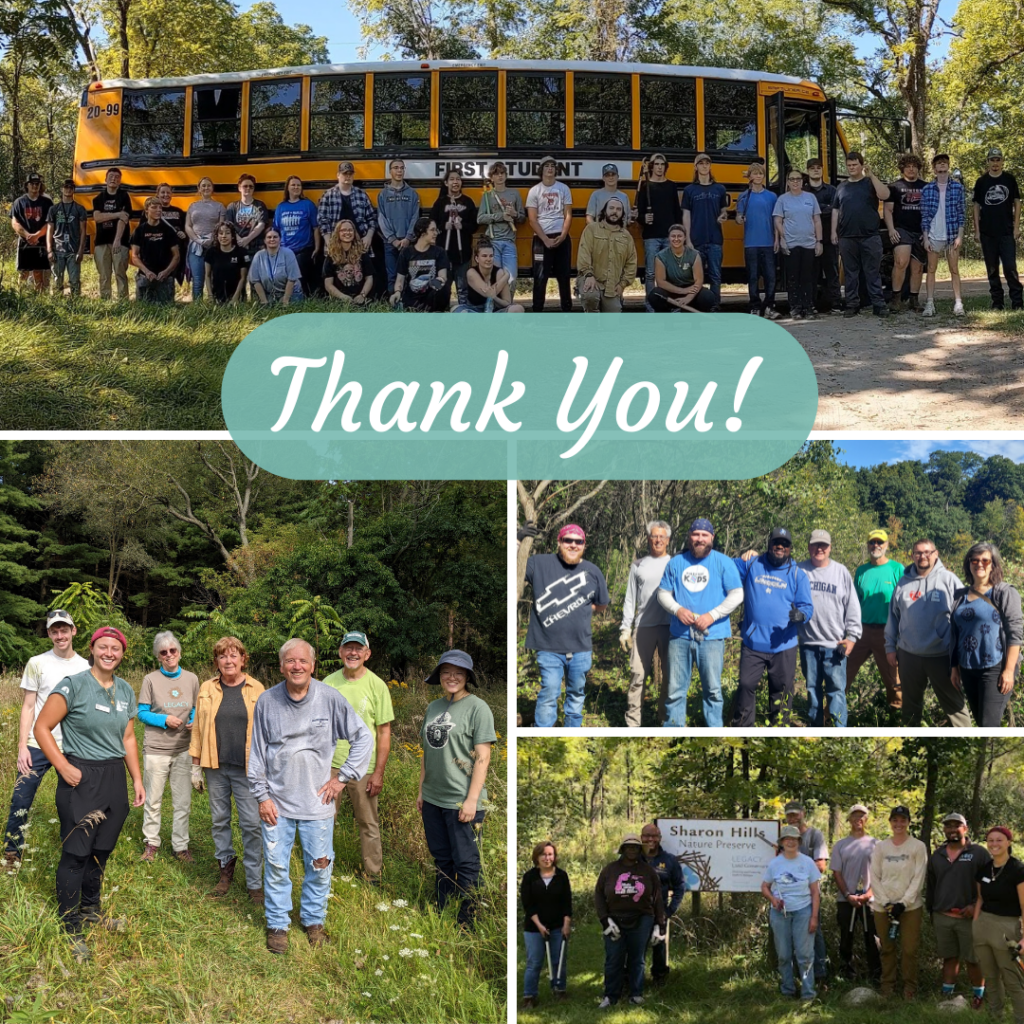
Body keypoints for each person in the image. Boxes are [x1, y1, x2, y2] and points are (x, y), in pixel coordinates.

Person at [250, 638, 372, 953]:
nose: (297, 666)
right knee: (276, 866)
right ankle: (277, 924)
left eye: (303, 661)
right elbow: (257, 755)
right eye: (290, 661)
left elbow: (363, 737)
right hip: (276, 804)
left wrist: (342, 778)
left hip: (318, 804)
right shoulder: (267, 701)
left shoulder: (330, 699)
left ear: (313, 665)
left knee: (320, 866)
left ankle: (313, 921)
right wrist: (262, 796)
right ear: (281, 666)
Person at [33, 626, 144, 963]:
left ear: (122, 653)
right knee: (77, 853)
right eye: (103, 647)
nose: (109, 652)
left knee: (101, 850)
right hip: (81, 776)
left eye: (116, 648)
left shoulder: (125, 689)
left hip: (113, 778)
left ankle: (91, 911)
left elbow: (127, 738)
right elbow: (41, 727)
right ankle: (69, 926)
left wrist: (136, 779)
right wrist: (63, 767)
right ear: (93, 649)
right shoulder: (74, 685)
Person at [3, 610, 89, 868]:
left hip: (71, 746)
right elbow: (29, 706)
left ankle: (74, 851)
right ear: (49, 633)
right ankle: (12, 853)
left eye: (64, 629)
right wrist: (21, 746)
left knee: (75, 802)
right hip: (36, 745)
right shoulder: (37, 663)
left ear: (73, 631)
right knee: (21, 798)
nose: (60, 635)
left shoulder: (85, 666)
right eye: (54, 631)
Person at [418, 650, 496, 928]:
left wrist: (471, 800)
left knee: (466, 862)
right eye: (446, 672)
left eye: (458, 673)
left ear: (467, 677)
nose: (452, 677)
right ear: (439, 675)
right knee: (442, 858)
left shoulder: (478, 708)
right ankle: (443, 908)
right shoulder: (434, 707)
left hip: (461, 800)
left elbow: (483, 758)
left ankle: (468, 919)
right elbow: (427, 754)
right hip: (432, 799)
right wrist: (421, 792)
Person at [189, 636, 265, 903]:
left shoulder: (257, 689)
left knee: (252, 825)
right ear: (217, 661)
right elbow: (198, 727)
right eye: (223, 656)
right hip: (215, 766)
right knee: (219, 820)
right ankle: (225, 869)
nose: (228, 661)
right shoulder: (207, 688)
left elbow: (266, 732)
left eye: (234, 656)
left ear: (243, 659)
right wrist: (195, 766)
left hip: (248, 769)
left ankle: (255, 881)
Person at [322, 631, 393, 883]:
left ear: (367, 654)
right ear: (341, 652)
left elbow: (384, 732)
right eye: (348, 648)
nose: (353, 653)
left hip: (365, 768)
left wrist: (378, 773)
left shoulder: (377, 686)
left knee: (368, 822)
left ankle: (372, 874)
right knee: (323, 820)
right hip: (330, 765)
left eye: (358, 648)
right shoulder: (327, 683)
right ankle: (321, 869)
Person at [657, 518, 743, 727]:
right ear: (690, 537)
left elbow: (737, 594)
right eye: (696, 534)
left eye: (704, 535)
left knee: (713, 690)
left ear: (712, 538)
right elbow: (662, 593)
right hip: (680, 636)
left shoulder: (723, 562)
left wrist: (712, 615)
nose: (700, 539)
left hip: (712, 637)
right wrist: (677, 610)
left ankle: (713, 736)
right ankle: (674, 736)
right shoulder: (676, 563)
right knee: (675, 690)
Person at [523, 525, 609, 728]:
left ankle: (573, 730)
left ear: (584, 545)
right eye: (568, 540)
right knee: (550, 691)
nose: (573, 545)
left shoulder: (593, 571)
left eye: (578, 541)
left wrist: (581, 610)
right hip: (548, 647)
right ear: (559, 542)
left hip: (581, 648)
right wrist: (518, 541)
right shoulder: (539, 563)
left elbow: (602, 604)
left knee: (577, 693)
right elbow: (513, 571)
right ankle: (543, 730)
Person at [729, 528, 814, 727]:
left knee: (782, 690)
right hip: (753, 643)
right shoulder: (752, 564)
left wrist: (800, 615)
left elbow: (807, 606)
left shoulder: (796, 575)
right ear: (769, 544)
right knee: (746, 685)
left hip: (783, 645)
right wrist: (742, 555)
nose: (780, 547)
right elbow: (724, 567)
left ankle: (778, 730)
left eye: (785, 544)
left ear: (790, 548)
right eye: (776, 542)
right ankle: (742, 728)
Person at [885, 538, 971, 727]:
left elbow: (966, 615)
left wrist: (960, 652)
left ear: (935, 554)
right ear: (912, 556)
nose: (922, 556)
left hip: (942, 655)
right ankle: (910, 747)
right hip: (909, 655)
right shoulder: (902, 584)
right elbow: (893, 617)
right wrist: (890, 646)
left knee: (955, 706)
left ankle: (967, 741)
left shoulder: (949, 580)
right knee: (910, 706)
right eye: (918, 553)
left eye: (927, 552)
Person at [950, 541, 1023, 726]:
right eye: (974, 560)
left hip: (996, 667)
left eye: (985, 560)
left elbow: (1016, 633)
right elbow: (955, 634)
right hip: (967, 668)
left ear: (993, 564)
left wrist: (1008, 670)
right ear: (968, 564)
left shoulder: (1004, 592)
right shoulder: (959, 596)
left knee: (988, 725)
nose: (979, 564)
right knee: (980, 723)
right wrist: (954, 668)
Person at [797, 530, 862, 727]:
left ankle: (839, 731)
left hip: (835, 644)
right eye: (815, 545)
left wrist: (852, 637)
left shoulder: (841, 572)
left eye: (824, 545)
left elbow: (852, 606)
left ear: (830, 548)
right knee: (812, 689)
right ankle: (815, 729)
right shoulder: (798, 571)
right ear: (809, 547)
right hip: (808, 643)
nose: (819, 549)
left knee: (836, 691)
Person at [595, 834, 665, 1009]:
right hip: (614, 920)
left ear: (639, 850)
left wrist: (659, 925)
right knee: (613, 958)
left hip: (642, 919)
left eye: (635, 847)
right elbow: (598, 895)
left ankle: (636, 993)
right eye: (628, 847)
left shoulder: (648, 871)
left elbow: (657, 899)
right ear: (623, 849)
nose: (632, 850)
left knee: (637, 958)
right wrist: (605, 920)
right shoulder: (609, 870)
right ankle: (610, 996)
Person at [927, 812, 990, 1004]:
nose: (952, 829)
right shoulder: (937, 855)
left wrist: (975, 906)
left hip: (970, 917)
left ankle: (978, 997)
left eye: (957, 825)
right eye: (948, 826)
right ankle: (947, 997)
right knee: (949, 958)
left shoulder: (979, 853)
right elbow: (931, 886)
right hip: (943, 916)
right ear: (944, 829)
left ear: (965, 828)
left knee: (973, 959)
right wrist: (932, 912)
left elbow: (989, 883)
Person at [870, 805, 927, 1001]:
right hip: (883, 907)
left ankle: (909, 988)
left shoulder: (918, 847)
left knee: (910, 949)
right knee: (887, 948)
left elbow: (919, 878)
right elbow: (874, 877)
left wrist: (903, 903)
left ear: (908, 822)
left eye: (903, 820)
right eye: (895, 820)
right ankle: (887, 987)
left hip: (910, 908)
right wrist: (886, 903)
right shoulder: (880, 847)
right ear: (890, 822)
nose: (899, 824)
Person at [619, 521, 672, 728]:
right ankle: (633, 723)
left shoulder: (676, 563)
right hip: (643, 627)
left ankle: (665, 720)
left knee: (670, 677)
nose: (658, 540)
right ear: (649, 539)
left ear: (668, 540)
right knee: (637, 676)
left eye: (662, 537)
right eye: (654, 536)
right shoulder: (638, 565)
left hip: (671, 627)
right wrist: (625, 628)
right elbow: (630, 599)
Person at [847, 529, 904, 714]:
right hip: (861, 632)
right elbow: (854, 602)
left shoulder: (897, 569)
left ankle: (898, 721)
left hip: (886, 633)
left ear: (887, 545)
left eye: (880, 542)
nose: (876, 546)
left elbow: (904, 602)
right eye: (872, 542)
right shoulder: (862, 571)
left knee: (893, 679)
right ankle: (827, 718)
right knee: (843, 673)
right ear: (868, 545)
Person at [761, 824, 821, 1001]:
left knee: (805, 955)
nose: (790, 842)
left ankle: (808, 994)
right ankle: (787, 990)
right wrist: (773, 900)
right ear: (781, 842)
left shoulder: (808, 863)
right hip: (780, 914)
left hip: (804, 912)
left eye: (794, 839)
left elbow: (815, 892)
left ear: (799, 841)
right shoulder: (775, 863)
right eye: (787, 839)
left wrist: (814, 917)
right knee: (784, 955)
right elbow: (764, 887)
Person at [973, 826, 1024, 1022]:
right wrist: (975, 925)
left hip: (1007, 928)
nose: (994, 844)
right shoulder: (984, 869)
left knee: (1012, 980)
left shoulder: (1018, 869)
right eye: (991, 840)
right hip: (982, 926)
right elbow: (979, 899)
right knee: (991, 978)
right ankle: (995, 1018)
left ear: (1009, 842)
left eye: (999, 840)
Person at [832, 151, 890, 318]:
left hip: (870, 236)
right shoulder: (841, 187)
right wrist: (833, 233)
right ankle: (852, 304)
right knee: (850, 274)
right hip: (847, 237)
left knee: (872, 272)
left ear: (861, 165)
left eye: (855, 165)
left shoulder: (870, 183)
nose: (851, 168)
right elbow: (836, 210)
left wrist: (871, 175)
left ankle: (878, 305)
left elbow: (885, 195)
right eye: (849, 165)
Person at [830, 804, 881, 984]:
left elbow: (880, 873)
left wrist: (868, 894)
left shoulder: (876, 844)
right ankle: (846, 975)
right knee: (846, 937)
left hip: (870, 900)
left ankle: (876, 976)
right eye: (854, 816)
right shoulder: (840, 845)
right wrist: (847, 894)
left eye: (862, 816)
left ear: (866, 819)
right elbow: (836, 872)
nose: (858, 819)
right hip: (846, 900)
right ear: (849, 819)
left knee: (873, 938)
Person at [521, 841, 572, 1008]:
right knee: (534, 962)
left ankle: (559, 990)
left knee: (558, 960)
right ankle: (529, 996)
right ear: (536, 857)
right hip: (534, 928)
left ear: (554, 857)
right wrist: (540, 925)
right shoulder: (529, 877)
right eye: (543, 854)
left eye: (550, 854)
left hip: (558, 926)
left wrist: (566, 924)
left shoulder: (562, 876)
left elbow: (567, 903)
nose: (547, 857)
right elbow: (527, 904)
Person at [785, 801, 829, 989]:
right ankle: (796, 978)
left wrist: (795, 865)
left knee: (814, 934)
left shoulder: (814, 835)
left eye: (796, 814)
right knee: (790, 937)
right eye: (789, 815)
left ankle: (821, 977)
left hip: (811, 897)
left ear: (803, 813)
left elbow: (821, 866)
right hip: (789, 897)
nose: (793, 818)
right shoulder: (784, 837)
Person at [973, 147, 1023, 311]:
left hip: (1007, 232)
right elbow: (976, 206)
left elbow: (1017, 202)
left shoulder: (1009, 179)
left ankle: (1017, 302)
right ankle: (997, 302)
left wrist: (1016, 227)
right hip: (988, 233)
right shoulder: (982, 182)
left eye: (998, 160)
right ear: (988, 162)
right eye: (992, 160)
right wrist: (977, 231)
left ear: (1002, 162)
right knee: (992, 269)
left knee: (1010, 268)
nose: (995, 163)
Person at [921, 153, 967, 317]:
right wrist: (925, 237)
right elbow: (925, 216)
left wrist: (960, 236)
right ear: (934, 169)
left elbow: (962, 214)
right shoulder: (927, 189)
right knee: (931, 269)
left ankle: (958, 303)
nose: (942, 166)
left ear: (948, 166)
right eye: (939, 163)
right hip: (933, 235)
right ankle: (930, 303)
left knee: (954, 269)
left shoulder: (957, 188)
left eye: (944, 163)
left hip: (952, 234)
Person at [774, 170, 823, 320]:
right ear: (787, 182)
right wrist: (782, 238)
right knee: (793, 278)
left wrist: (819, 241)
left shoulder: (810, 198)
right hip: (791, 244)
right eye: (792, 179)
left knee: (808, 277)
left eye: (798, 179)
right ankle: (795, 308)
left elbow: (817, 220)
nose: (795, 182)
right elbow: (777, 220)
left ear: (803, 181)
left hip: (809, 244)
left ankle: (808, 307)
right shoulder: (782, 200)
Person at [526, 156, 573, 313]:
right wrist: (545, 239)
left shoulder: (563, 188)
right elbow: (532, 219)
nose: (550, 168)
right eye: (547, 166)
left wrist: (564, 235)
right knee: (540, 277)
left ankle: (567, 311)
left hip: (561, 236)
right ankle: (537, 311)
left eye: (553, 166)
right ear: (541, 170)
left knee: (564, 276)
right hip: (541, 239)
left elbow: (568, 215)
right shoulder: (534, 191)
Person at [681, 154, 728, 308]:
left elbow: (724, 211)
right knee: (695, 277)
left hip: (715, 239)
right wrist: (687, 239)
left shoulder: (719, 188)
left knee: (715, 275)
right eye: (700, 163)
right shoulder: (689, 190)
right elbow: (686, 215)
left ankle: (715, 305)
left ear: (710, 166)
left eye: (707, 163)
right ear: (695, 167)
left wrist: (723, 216)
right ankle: (697, 305)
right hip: (696, 239)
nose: (704, 166)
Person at [636, 153, 682, 311]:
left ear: (665, 167)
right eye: (656, 164)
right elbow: (638, 214)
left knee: (671, 273)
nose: (660, 167)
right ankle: (651, 306)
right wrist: (644, 218)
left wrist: (679, 233)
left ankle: (672, 306)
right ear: (652, 167)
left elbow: (677, 211)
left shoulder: (671, 186)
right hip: (651, 237)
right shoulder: (645, 187)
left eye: (662, 164)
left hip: (669, 236)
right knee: (650, 274)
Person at [640, 822, 684, 985]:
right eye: (647, 836)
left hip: (660, 914)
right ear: (641, 837)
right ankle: (633, 981)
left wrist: (669, 910)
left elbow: (679, 886)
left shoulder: (669, 860)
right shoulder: (632, 858)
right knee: (635, 950)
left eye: (654, 836)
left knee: (659, 949)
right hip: (635, 915)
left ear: (659, 838)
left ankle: (660, 982)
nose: (650, 839)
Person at [576, 198, 637, 312]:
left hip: (611, 287)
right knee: (590, 297)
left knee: (612, 320)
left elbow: (631, 263)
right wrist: (589, 275)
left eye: (619, 209)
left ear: (622, 213)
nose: (615, 211)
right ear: (604, 211)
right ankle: (591, 322)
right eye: (611, 208)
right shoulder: (591, 229)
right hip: (591, 279)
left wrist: (622, 285)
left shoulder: (626, 236)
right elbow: (584, 254)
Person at [884, 154, 926, 312]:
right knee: (901, 262)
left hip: (921, 231)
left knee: (918, 267)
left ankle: (914, 300)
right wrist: (891, 229)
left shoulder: (926, 187)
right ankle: (896, 299)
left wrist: (928, 232)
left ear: (918, 168)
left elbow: (932, 210)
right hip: (901, 229)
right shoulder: (894, 187)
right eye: (908, 166)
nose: (911, 169)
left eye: (914, 166)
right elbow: (888, 210)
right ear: (903, 168)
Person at [736, 162, 779, 317]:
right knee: (753, 276)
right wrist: (739, 219)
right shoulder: (744, 196)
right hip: (751, 243)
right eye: (755, 173)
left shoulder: (772, 197)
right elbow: (738, 217)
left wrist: (777, 239)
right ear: (750, 176)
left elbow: (777, 220)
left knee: (770, 276)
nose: (758, 176)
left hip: (768, 241)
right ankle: (754, 305)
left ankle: (769, 306)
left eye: (761, 173)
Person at [430, 170, 477, 307]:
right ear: (446, 183)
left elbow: (474, 225)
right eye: (452, 179)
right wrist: (443, 226)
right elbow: (432, 224)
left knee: (463, 289)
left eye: (458, 179)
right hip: (443, 253)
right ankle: (442, 316)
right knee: (443, 288)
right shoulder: (440, 203)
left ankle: (463, 314)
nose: (455, 182)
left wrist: (462, 226)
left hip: (462, 254)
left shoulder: (467, 202)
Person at [477, 161, 525, 289]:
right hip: (493, 243)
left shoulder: (514, 193)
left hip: (509, 242)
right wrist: (500, 216)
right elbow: (480, 218)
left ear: (506, 175)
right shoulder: (487, 196)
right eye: (496, 174)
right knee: (494, 279)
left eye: (502, 173)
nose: (500, 176)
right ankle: (493, 306)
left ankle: (508, 306)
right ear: (491, 178)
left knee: (511, 279)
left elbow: (522, 218)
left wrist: (514, 214)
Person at [649, 224, 716, 312]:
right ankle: (667, 322)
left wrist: (688, 298)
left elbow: (698, 281)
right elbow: (661, 282)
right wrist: (682, 291)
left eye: (679, 236)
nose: (676, 239)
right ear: (669, 238)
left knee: (707, 296)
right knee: (655, 295)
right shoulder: (660, 256)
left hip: (691, 289)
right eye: (673, 236)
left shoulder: (694, 255)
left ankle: (695, 322)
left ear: (684, 238)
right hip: (671, 289)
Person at [273, 176, 320, 298]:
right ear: (287, 188)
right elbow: (276, 230)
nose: (296, 187)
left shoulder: (308, 205)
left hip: (303, 249)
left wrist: (317, 247)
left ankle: (302, 299)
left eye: (298, 185)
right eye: (293, 185)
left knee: (300, 276)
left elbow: (316, 228)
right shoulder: (281, 207)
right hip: (285, 250)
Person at [390, 216, 450, 312]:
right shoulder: (406, 253)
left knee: (444, 289)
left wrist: (434, 283)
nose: (436, 233)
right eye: (432, 230)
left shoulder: (439, 252)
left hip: (433, 296)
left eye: (436, 230)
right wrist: (397, 292)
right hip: (412, 298)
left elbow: (443, 277)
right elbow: (400, 279)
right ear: (422, 232)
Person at [377, 158, 420, 292]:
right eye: (396, 168)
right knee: (392, 276)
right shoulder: (383, 194)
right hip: (389, 243)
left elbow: (415, 217)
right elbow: (381, 219)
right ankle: (394, 304)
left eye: (402, 168)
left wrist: (408, 238)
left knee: (410, 275)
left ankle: (408, 305)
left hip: (408, 242)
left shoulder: (412, 194)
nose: (399, 170)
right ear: (390, 171)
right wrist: (393, 239)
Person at [805, 158, 842, 314]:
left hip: (829, 237)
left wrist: (814, 209)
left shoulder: (832, 190)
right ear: (807, 171)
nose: (815, 170)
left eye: (818, 168)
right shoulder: (803, 191)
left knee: (832, 271)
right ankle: (810, 304)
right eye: (812, 168)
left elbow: (835, 210)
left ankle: (836, 304)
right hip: (808, 238)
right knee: (811, 273)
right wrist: (824, 208)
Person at [130, 197, 180, 303]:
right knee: (143, 311)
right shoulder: (139, 230)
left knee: (166, 310)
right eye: (154, 207)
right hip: (145, 277)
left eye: (160, 207)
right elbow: (134, 256)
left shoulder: (168, 231)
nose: (158, 210)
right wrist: (146, 271)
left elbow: (176, 256)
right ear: (146, 210)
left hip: (165, 278)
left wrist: (166, 272)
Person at [92, 167, 132, 300]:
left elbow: (124, 218)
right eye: (111, 176)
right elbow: (97, 217)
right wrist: (117, 214)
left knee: (120, 273)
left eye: (116, 177)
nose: (113, 179)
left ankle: (123, 302)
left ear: (120, 181)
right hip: (101, 242)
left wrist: (117, 240)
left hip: (120, 241)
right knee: (104, 274)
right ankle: (105, 301)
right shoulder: (98, 198)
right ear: (105, 179)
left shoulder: (124, 196)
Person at [454, 238, 525, 312]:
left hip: (495, 310)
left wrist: (495, 298)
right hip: (475, 310)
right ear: (477, 258)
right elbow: (486, 293)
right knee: (457, 310)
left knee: (518, 308)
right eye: (484, 256)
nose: (488, 259)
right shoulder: (471, 272)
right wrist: (505, 278)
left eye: (491, 256)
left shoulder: (499, 273)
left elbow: (507, 303)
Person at [46, 179, 88, 298]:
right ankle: (57, 305)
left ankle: (76, 304)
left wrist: (81, 250)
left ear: (74, 190)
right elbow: (49, 230)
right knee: (57, 281)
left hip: (73, 250)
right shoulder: (54, 209)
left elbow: (83, 231)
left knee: (74, 281)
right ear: (62, 189)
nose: (68, 189)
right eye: (66, 187)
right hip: (57, 250)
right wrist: (49, 250)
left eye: (71, 187)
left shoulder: (80, 209)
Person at [184, 176, 224, 301]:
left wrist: (212, 239)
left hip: (214, 246)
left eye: (208, 185)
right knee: (197, 280)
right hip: (196, 247)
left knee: (215, 278)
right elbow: (188, 226)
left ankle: (217, 305)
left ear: (212, 188)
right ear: (199, 189)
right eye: (203, 186)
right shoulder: (192, 206)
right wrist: (198, 240)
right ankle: (198, 308)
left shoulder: (220, 206)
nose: (206, 188)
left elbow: (222, 227)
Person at [317, 161, 376, 246]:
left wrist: (368, 237)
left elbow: (372, 218)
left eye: (350, 174)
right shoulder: (328, 195)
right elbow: (322, 221)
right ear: (338, 175)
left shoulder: (362, 194)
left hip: (359, 244)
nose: (348, 176)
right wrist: (329, 242)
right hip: (335, 244)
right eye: (345, 174)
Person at [11, 173, 53, 292]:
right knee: (23, 272)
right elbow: (14, 222)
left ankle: (38, 301)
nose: (35, 186)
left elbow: (50, 223)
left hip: (41, 243)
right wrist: (27, 235)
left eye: (37, 183)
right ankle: (20, 297)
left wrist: (37, 235)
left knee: (38, 273)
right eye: (32, 184)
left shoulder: (47, 202)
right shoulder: (19, 202)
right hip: (24, 243)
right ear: (27, 185)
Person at [323, 219, 374, 306]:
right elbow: (328, 284)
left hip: (360, 298)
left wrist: (362, 295)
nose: (347, 232)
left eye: (350, 230)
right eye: (343, 230)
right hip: (339, 300)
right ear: (337, 233)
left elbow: (369, 278)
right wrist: (343, 297)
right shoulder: (331, 256)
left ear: (354, 233)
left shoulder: (362, 254)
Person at [248, 226, 303, 306]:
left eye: (275, 237)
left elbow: (292, 279)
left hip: (291, 293)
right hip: (269, 295)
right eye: (269, 237)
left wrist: (285, 300)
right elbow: (255, 281)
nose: (272, 239)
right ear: (264, 240)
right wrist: (264, 301)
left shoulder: (288, 253)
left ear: (280, 239)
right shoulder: (258, 256)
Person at [224, 173, 269, 260]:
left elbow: (261, 225)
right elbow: (229, 226)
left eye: (251, 186)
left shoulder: (260, 205)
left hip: (256, 248)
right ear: (239, 188)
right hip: (236, 248)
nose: (248, 188)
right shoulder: (232, 207)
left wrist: (247, 239)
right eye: (245, 186)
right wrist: (240, 241)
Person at [204, 222, 251, 304]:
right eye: (221, 233)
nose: (224, 236)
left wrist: (235, 299)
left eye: (227, 233)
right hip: (217, 298)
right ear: (217, 236)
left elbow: (243, 278)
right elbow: (207, 275)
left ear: (233, 236)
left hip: (237, 298)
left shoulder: (241, 252)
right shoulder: (211, 252)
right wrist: (210, 296)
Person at [155, 183, 188, 291]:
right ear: (157, 195)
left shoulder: (179, 212)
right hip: (158, 250)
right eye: (163, 192)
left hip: (175, 251)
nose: (166, 195)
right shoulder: (151, 211)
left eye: (168, 192)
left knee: (172, 276)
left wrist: (184, 234)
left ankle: (169, 299)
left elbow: (186, 228)